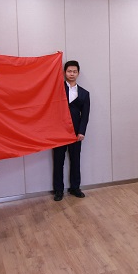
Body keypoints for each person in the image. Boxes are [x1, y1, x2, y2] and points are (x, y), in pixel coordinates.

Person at [53, 60, 90, 201]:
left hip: (76, 133)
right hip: (59, 132)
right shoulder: (57, 90)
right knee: (58, 161)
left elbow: (85, 115)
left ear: (78, 73)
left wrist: (82, 132)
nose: (72, 74)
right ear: (64, 73)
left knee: (75, 160)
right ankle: (58, 190)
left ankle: (75, 188)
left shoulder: (84, 93)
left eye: (74, 71)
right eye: (69, 71)